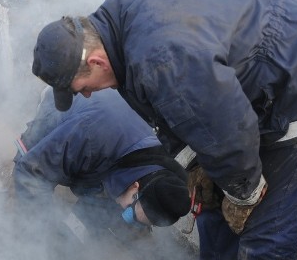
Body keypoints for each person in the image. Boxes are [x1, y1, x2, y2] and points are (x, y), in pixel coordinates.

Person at [29, 0, 297, 260]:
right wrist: (194, 166)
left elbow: (230, 133)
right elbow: (179, 114)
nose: (87, 96)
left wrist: (245, 195)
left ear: (96, 61)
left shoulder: (163, 61)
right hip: (249, 78)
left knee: (264, 230)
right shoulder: (115, 28)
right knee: (210, 205)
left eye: (83, 88)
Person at [12, 86, 190, 239]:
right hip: (65, 102)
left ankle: (74, 235)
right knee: (29, 173)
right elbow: (30, 171)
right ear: (135, 187)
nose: (124, 213)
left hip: (106, 129)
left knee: (104, 200)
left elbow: (110, 200)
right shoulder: (89, 137)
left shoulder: (152, 168)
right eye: (129, 213)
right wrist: (51, 233)